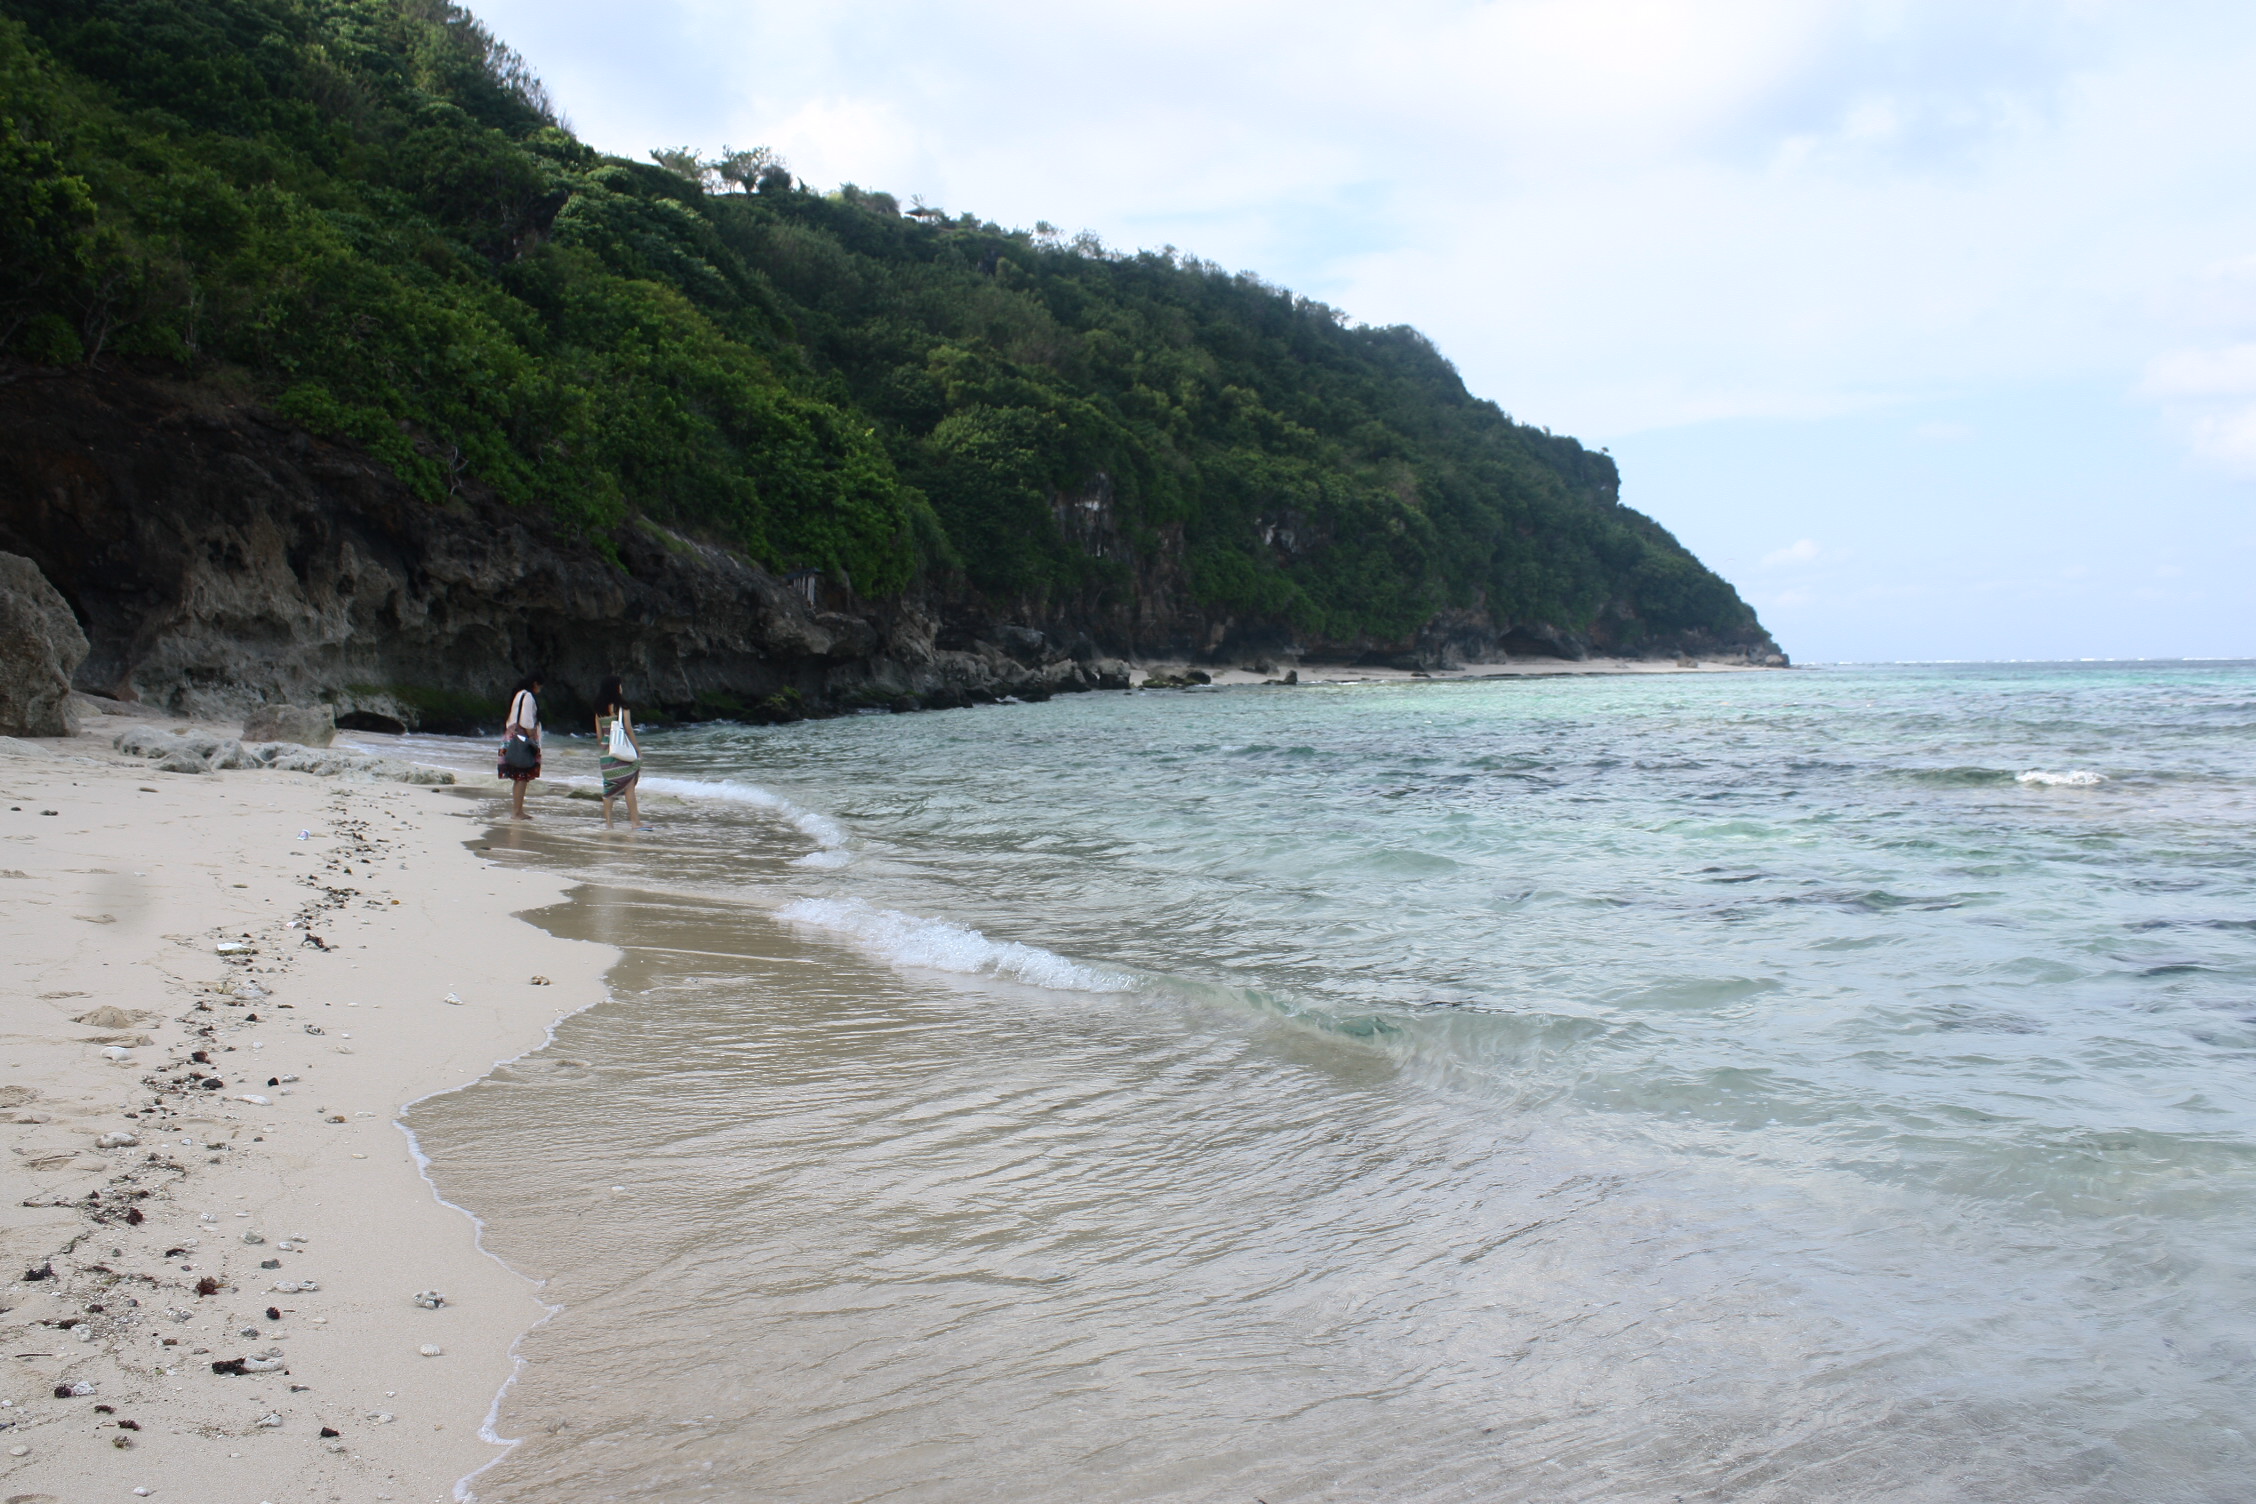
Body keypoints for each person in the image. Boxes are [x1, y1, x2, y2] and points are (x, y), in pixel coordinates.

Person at [593, 675, 649, 831]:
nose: (622, 688)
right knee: (629, 787)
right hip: (620, 753)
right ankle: (635, 822)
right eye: (620, 685)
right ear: (616, 687)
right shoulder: (622, 707)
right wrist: (638, 750)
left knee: (608, 790)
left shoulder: (599, 709)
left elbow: (599, 736)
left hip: (605, 754)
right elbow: (629, 730)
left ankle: (609, 824)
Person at [497, 673, 543, 819]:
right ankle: (517, 812)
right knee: (522, 776)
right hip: (522, 740)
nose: (540, 689)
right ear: (535, 684)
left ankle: (516, 810)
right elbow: (527, 721)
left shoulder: (518, 695)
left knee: (517, 777)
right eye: (540, 686)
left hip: (510, 738)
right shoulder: (528, 696)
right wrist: (533, 739)